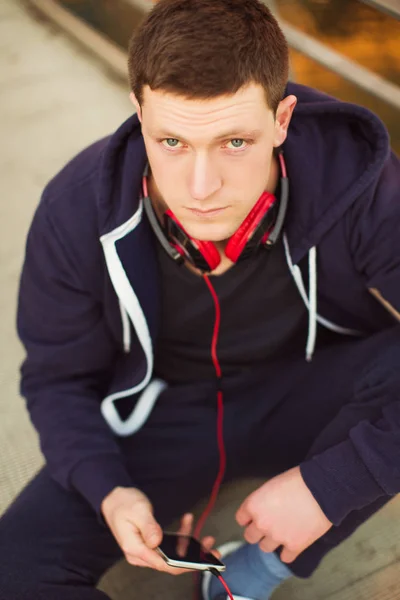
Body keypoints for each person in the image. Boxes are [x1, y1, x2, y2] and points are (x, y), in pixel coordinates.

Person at [1, 0, 399, 598]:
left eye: (235, 141)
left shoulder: (357, 181)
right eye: (172, 141)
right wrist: (110, 489)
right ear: (138, 113)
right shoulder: (75, 210)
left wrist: (332, 484)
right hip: (162, 414)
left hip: (305, 389)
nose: (201, 186)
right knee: (14, 568)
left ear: (282, 119)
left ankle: (252, 573)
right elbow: (57, 380)